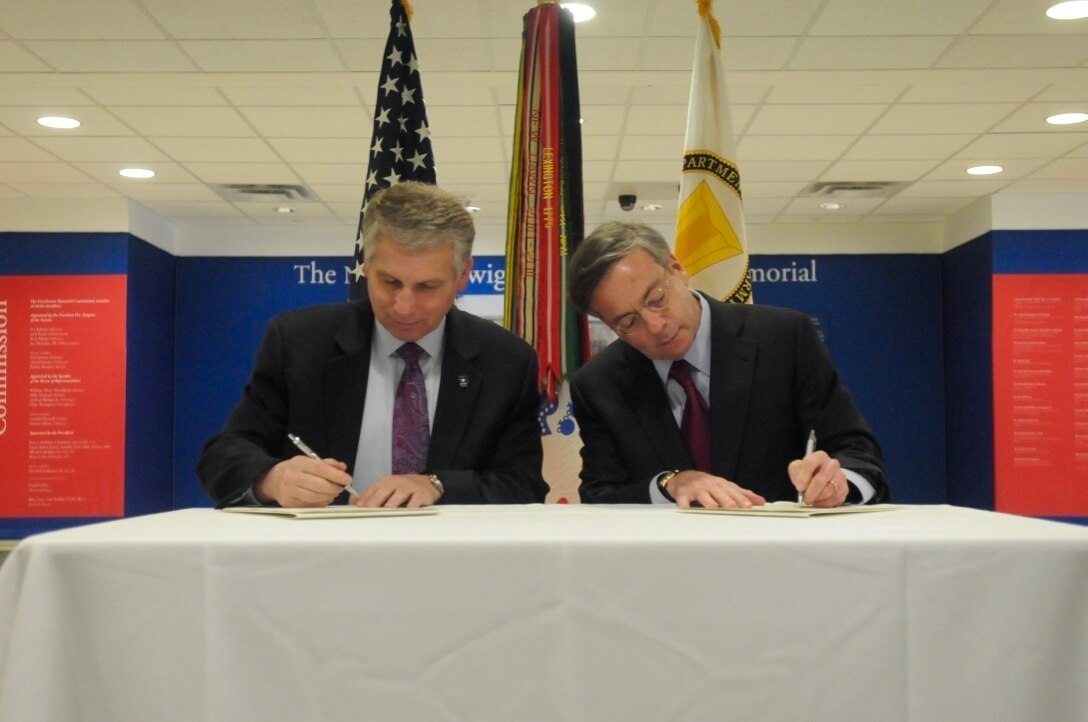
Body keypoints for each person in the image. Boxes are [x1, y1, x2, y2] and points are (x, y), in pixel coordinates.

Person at [198, 182, 547, 508]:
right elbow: (223, 454)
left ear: (463, 275)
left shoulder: (506, 360)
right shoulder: (299, 342)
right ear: (366, 264)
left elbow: (523, 483)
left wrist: (437, 485)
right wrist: (271, 479)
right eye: (390, 281)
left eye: (427, 287)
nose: (404, 306)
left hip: (452, 561)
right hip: (320, 558)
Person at [567, 221, 888, 509]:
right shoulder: (599, 384)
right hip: (667, 567)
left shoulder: (784, 338)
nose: (654, 326)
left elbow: (857, 452)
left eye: (656, 299)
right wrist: (670, 483)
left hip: (785, 558)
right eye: (628, 322)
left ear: (676, 268)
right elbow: (600, 496)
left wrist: (837, 482)